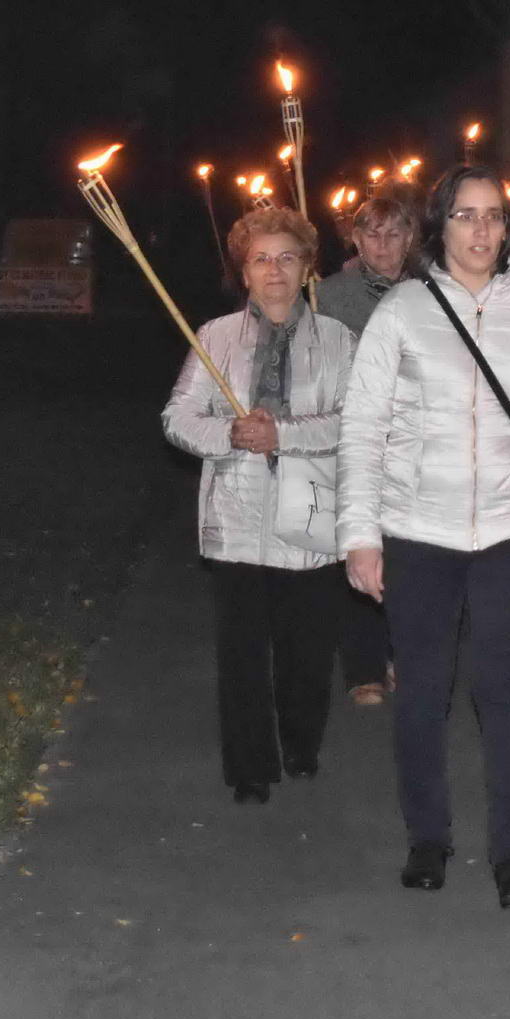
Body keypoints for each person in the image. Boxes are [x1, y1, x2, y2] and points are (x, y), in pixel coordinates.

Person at [338, 166, 510, 908]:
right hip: (417, 530)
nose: (482, 230)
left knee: (504, 689)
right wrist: (360, 535)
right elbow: (363, 428)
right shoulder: (402, 310)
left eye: (493, 215)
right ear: (440, 224)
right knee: (422, 691)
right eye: (466, 215)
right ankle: (427, 838)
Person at [161, 206, 357, 805]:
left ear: (307, 267)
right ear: (243, 272)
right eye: (261, 259)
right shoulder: (216, 337)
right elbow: (178, 417)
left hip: (312, 514)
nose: (274, 271)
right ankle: (249, 767)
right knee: (242, 654)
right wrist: (230, 434)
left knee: (307, 650)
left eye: (287, 257)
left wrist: (283, 434)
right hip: (238, 518)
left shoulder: (337, 340)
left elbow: (355, 420)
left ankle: (301, 743)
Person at [316, 188, 419, 707]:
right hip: (354, 434)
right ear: (356, 240)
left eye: (394, 233)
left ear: (410, 238)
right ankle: (363, 666)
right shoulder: (330, 295)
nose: (383, 244)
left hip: (413, 439)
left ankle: (404, 652)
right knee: (359, 544)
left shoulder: (427, 291)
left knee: (408, 552)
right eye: (372, 234)